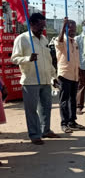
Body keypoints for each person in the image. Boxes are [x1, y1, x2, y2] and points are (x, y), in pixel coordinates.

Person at [11, 13, 60, 145]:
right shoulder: (22, 39)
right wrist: (28, 59)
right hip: (30, 80)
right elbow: (14, 59)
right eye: (39, 25)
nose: (41, 28)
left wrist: (53, 77)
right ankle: (34, 134)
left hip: (45, 80)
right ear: (31, 24)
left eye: (43, 26)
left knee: (46, 107)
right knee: (31, 109)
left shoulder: (44, 39)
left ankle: (46, 130)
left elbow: (48, 61)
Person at [55, 18, 85, 133]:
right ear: (66, 29)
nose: (72, 31)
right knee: (64, 100)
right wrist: (63, 26)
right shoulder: (61, 40)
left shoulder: (75, 41)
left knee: (73, 100)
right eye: (70, 29)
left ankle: (72, 121)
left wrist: (79, 71)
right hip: (64, 75)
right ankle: (64, 123)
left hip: (74, 75)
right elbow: (60, 40)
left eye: (74, 29)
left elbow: (76, 59)